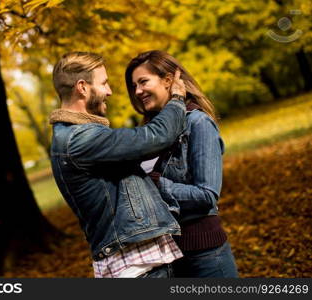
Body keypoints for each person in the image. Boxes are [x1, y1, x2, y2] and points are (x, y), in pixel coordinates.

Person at [49, 51, 187, 278]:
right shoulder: (80, 138)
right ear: (82, 87)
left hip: (139, 265)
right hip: (138, 270)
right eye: (104, 83)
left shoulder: (75, 135)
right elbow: (157, 136)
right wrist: (177, 98)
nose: (109, 91)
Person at [125, 50, 239, 278]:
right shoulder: (151, 132)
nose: (138, 91)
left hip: (205, 256)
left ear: (168, 80)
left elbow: (207, 194)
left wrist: (155, 184)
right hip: (166, 258)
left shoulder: (198, 123)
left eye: (143, 82)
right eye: (134, 85)